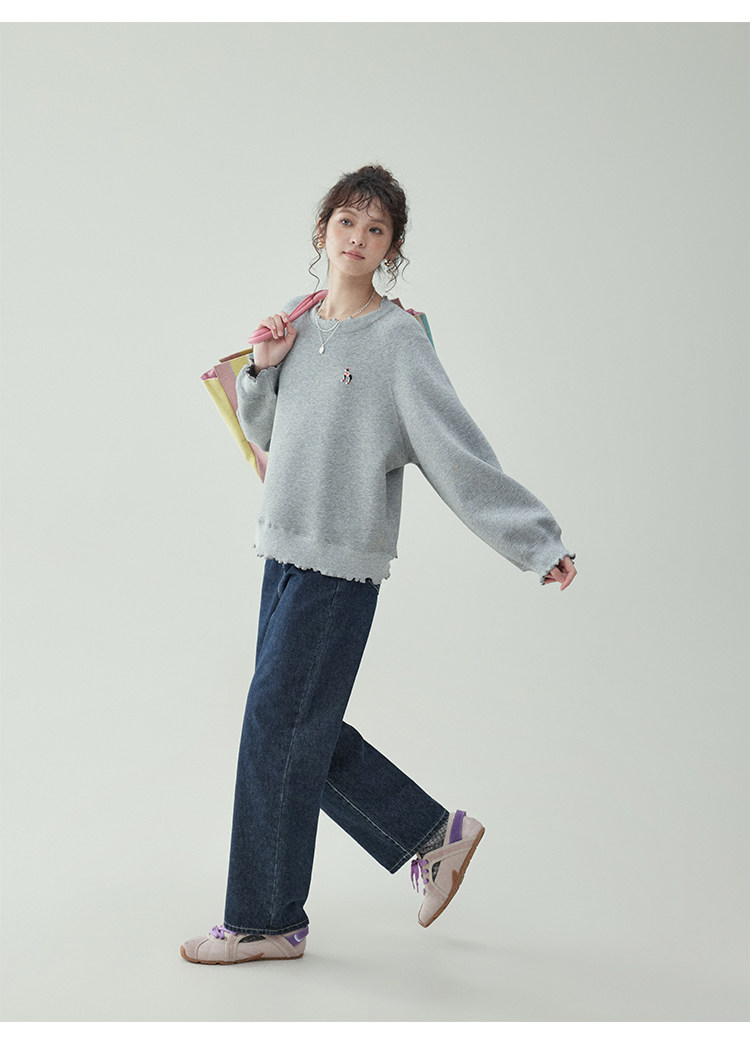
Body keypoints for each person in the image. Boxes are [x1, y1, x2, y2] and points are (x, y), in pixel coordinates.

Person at [181, 164, 577, 965]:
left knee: (277, 725)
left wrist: (536, 540)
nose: (357, 238)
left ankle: (264, 919)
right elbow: (264, 433)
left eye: (376, 229)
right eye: (346, 222)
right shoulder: (298, 319)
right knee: (291, 726)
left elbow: (456, 451)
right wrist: (263, 365)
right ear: (322, 229)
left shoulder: (397, 342)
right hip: (281, 551)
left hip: (339, 568)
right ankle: (432, 837)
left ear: (391, 248)